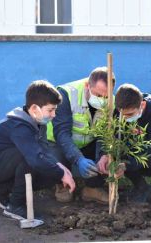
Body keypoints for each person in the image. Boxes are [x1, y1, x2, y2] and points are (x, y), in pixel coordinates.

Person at [0, 80, 75, 222]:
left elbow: (43, 148)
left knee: (48, 171)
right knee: (30, 157)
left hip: (0, 161)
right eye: (50, 110)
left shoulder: (38, 123)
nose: (54, 115)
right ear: (34, 108)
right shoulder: (19, 126)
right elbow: (36, 158)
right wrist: (61, 173)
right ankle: (15, 206)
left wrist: (58, 166)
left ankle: (1, 188)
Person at [47, 67, 115, 204]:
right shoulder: (66, 94)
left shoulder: (111, 102)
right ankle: (62, 185)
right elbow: (62, 133)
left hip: (87, 141)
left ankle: (92, 188)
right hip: (58, 142)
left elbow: (105, 134)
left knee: (103, 159)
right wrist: (78, 159)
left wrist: (103, 154)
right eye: (98, 95)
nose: (102, 100)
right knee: (57, 157)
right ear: (87, 86)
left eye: (106, 96)